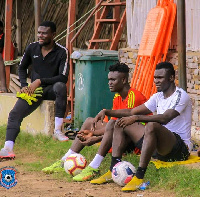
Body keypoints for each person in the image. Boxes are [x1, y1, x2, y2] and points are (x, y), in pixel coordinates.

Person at [90, 62, 192, 192]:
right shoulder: (158, 96)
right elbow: (132, 112)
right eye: (155, 77)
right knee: (120, 122)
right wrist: (106, 111)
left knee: (152, 125)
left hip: (179, 148)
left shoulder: (181, 95)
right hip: (159, 147)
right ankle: (113, 168)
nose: (156, 81)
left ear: (171, 78)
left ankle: (139, 176)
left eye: (160, 78)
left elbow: (165, 118)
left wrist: (137, 118)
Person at [42, 62, 146, 182]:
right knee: (89, 122)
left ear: (123, 80)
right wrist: (93, 133)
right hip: (120, 132)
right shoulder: (117, 97)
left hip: (132, 142)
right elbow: (112, 125)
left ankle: (94, 167)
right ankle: (64, 160)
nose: (109, 83)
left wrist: (96, 139)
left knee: (114, 125)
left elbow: (123, 128)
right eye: (109, 79)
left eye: (113, 80)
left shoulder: (134, 96)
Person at [0, 21, 69, 161]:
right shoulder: (32, 48)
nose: (40, 36)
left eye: (44, 33)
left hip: (51, 88)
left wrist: (39, 81)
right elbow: (21, 68)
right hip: (34, 91)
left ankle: (57, 130)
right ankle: (8, 148)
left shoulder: (62, 51)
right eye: (39, 33)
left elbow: (63, 77)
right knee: (14, 114)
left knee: (61, 86)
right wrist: (24, 84)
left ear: (53, 35)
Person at [0, 21, 7, 93]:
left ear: (1, 28)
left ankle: (3, 86)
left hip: (4, 57)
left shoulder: (4, 37)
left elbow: (0, 48)